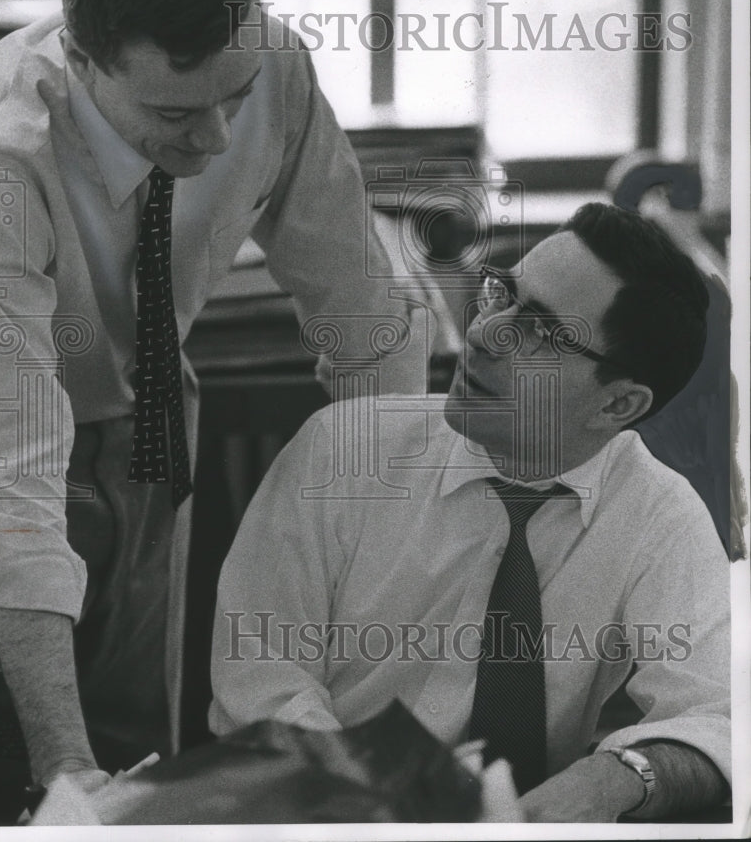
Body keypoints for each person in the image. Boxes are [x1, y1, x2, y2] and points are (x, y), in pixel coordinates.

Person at [0, 0, 424, 811]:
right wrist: (62, 766)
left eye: (234, 100)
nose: (215, 139)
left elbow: (358, 309)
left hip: (153, 412)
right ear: (86, 58)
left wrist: (393, 538)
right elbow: (9, 478)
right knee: (25, 761)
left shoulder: (271, 61)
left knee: (142, 741)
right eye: (175, 115)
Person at [210, 203, 731, 822]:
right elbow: (261, 682)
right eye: (502, 293)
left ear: (618, 404)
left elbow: (717, 716)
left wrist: (618, 778)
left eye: (540, 330)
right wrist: (382, 808)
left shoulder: (660, 518)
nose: (484, 332)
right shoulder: (340, 454)